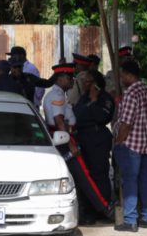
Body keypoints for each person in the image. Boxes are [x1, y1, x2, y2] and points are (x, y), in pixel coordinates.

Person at [43, 63, 112, 220]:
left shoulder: (60, 95)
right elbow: (59, 121)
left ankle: (90, 211)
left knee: (82, 177)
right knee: (84, 177)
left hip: (71, 137)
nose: (73, 81)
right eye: (69, 78)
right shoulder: (57, 96)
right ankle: (103, 207)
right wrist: (71, 144)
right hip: (65, 140)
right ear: (60, 79)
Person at [114, 60, 147, 232]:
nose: (122, 78)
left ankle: (130, 220)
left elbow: (126, 123)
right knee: (144, 179)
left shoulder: (131, 93)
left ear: (130, 75)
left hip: (132, 143)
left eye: (123, 75)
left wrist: (119, 141)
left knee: (130, 180)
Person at [73, 70, 115, 224]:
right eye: (84, 81)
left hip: (97, 140)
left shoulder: (105, 99)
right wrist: (90, 101)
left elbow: (101, 117)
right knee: (86, 176)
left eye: (88, 81)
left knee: (99, 174)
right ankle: (90, 210)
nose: (85, 84)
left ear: (96, 84)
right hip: (83, 139)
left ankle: (103, 209)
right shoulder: (84, 97)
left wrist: (94, 100)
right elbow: (76, 115)